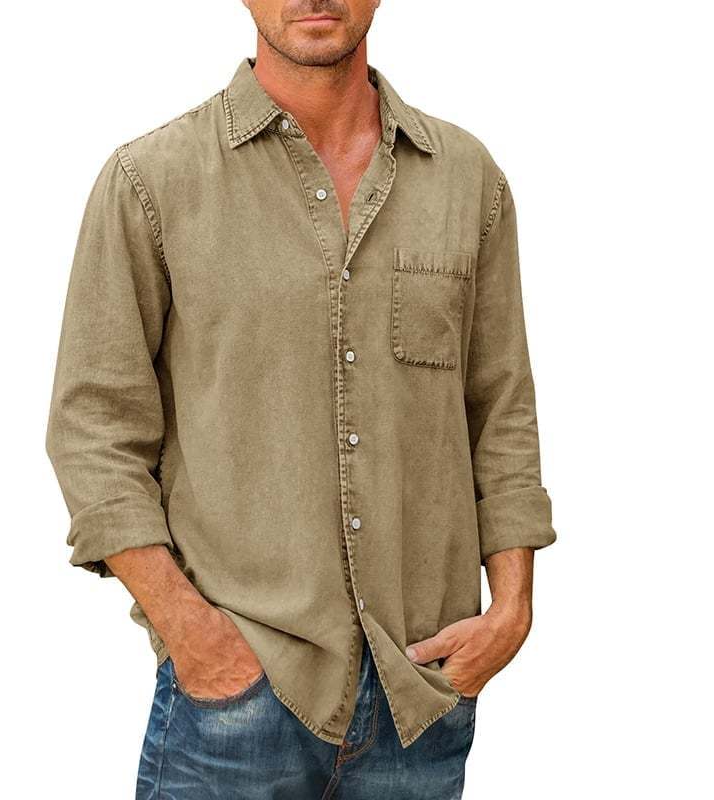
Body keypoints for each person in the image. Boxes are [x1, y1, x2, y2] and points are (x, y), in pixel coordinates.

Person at [45, 1, 557, 797]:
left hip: (420, 696)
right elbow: (92, 427)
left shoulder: (468, 180)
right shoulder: (153, 181)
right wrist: (190, 631)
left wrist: (512, 609)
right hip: (236, 702)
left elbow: (501, 407)